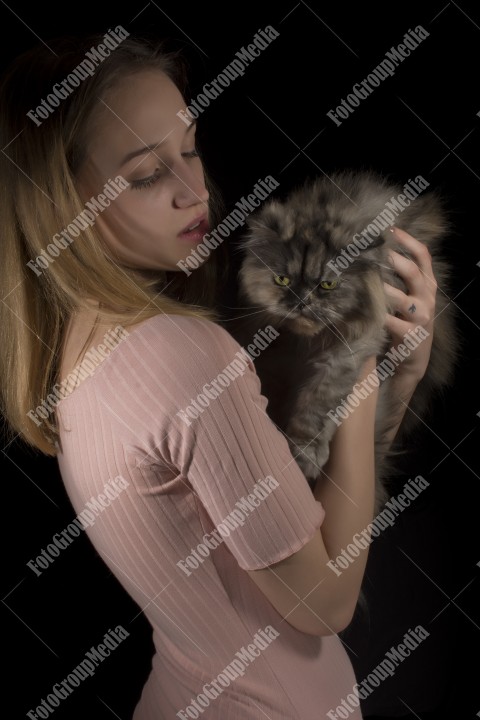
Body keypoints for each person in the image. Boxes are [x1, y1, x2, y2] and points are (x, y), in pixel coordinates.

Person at [0, 32, 438, 720]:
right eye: (145, 175)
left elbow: (304, 529)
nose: (192, 190)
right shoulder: (185, 355)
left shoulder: (80, 351)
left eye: (190, 148)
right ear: (62, 203)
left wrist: (392, 381)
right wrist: (356, 357)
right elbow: (323, 604)